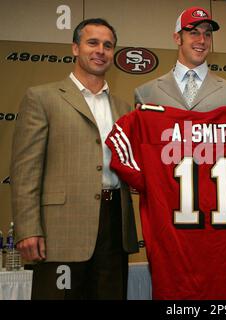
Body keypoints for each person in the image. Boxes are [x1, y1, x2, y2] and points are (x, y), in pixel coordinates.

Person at [10, 18, 138, 300]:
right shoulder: (42, 98)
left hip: (114, 228)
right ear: (75, 48)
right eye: (92, 42)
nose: (100, 50)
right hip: (61, 231)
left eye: (108, 45)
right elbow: (25, 170)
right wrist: (28, 229)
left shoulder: (124, 108)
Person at [134, 6, 226, 112]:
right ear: (177, 38)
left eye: (207, 34)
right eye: (194, 33)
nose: (202, 40)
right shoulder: (145, 94)